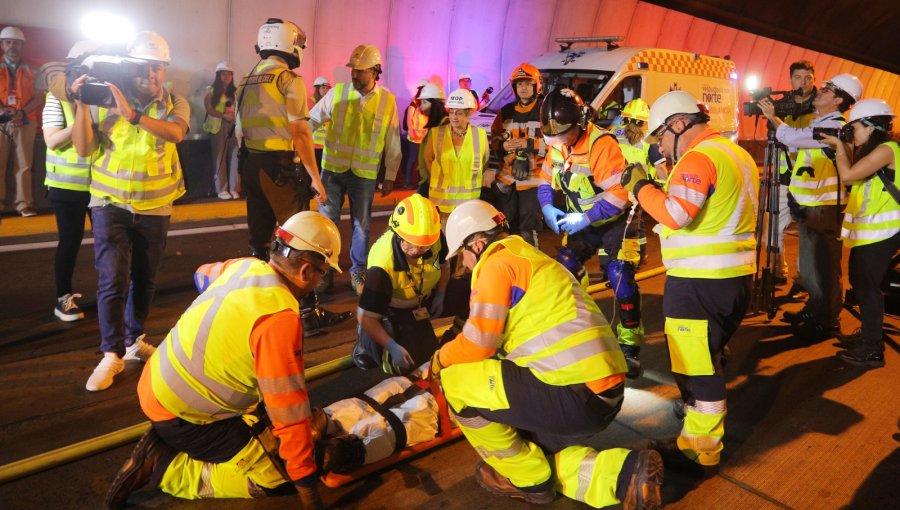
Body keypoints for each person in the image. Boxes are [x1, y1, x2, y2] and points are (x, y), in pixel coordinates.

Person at [429, 199, 662, 509]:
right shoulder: (534, 259)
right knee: (531, 445)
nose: (466, 267)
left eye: (463, 258)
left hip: (572, 392)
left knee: (455, 380)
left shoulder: (496, 264)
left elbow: (477, 345)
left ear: (479, 243)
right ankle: (625, 473)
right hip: (604, 394)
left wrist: (438, 360)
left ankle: (527, 479)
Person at [104, 211, 340, 509]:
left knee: (263, 425)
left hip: (157, 384)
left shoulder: (244, 267)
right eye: (323, 272)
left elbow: (202, 274)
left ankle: (170, 442)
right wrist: (306, 487)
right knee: (277, 477)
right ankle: (165, 467)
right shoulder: (279, 320)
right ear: (306, 271)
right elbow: (288, 411)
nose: (321, 280)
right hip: (184, 415)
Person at [621, 90, 759, 477]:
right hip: (733, 279)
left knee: (697, 370)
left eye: (661, 137)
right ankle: (697, 425)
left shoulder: (697, 157)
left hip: (699, 282)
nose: (662, 146)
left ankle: (700, 450)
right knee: (708, 360)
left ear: (679, 124)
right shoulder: (736, 154)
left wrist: (640, 187)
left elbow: (676, 214)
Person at [71, 31, 188, 392]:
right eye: (142, 69)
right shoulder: (103, 101)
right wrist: (80, 103)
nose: (150, 76)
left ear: (165, 70)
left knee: (145, 278)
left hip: (155, 206)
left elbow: (176, 134)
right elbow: (82, 149)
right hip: (110, 203)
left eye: (157, 69)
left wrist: (133, 115)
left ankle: (134, 339)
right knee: (113, 277)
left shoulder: (175, 103)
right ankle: (111, 353)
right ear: (129, 69)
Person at [235, 18, 348, 336]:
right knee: (302, 240)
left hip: (252, 166)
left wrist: (242, 172)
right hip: (281, 170)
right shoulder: (288, 79)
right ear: (287, 43)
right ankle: (309, 314)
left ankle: (256, 303)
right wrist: (316, 176)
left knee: (258, 242)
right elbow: (300, 132)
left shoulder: (247, 79)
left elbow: (239, 132)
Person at [538, 87, 645, 378]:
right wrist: (548, 207)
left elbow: (620, 196)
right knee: (566, 269)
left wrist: (585, 218)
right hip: (581, 220)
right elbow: (545, 181)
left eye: (562, 138)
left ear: (580, 122)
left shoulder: (601, 145)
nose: (558, 144)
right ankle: (577, 331)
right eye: (553, 140)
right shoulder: (559, 141)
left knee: (620, 277)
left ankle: (629, 345)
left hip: (618, 221)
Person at [760, 73, 863, 338]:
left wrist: (773, 118)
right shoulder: (823, 122)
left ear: (838, 99)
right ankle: (814, 309)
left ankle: (828, 319)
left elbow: (792, 138)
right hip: (810, 205)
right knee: (810, 267)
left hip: (824, 206)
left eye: (828, 89)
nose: (821, 91)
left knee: (824, 266)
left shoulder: (836, 126)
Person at [309, 44, 401, 296]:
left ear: (375, 71)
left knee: (362, 225)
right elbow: (311, 120)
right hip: (332, 171)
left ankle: (358, 269)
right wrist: (301, 152)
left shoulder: (387, 101)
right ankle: (324, 270)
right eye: (353, 70)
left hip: (365, 175)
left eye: (360, 71)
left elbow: (392, 139)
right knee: (327, 223)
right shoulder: (337, 93)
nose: (354, 75)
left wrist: (391, 174)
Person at [820, 99, 900, 368]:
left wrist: (841, 148)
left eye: (853, 127)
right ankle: (868, 334)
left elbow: (850, 176)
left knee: (867, 287)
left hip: (884, 231)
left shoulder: (888, 149)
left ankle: (872, 347)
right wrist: (844, 147)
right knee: (860, 281)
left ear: (869, 126)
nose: (850, 131)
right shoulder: (875, 149)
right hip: (870, 232)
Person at [352, 194, 449, 374]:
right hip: (391, 307)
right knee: (401, 366)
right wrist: (391, 345)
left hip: (420, 298)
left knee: (431, 357)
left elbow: (444, 266)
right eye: (411, 244)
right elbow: (365, 316)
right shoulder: (382, 266)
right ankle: (366, 342)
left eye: (424, 246)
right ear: (397, 234)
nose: (417, 251)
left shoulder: (434, 239)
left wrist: (441, 295)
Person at [43, 41, 98, 322]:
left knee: (108, 244)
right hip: (66, 186)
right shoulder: (56, 96)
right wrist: (81, 117)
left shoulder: (103, 96)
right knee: (70, 241)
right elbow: (51, 139)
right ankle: (63, 298)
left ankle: (111, 294)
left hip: (101, 183)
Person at [489, 63, 546, 248]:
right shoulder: (505, 111)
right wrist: (502, 145)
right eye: (519, 84)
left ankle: (533, 263)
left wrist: (528, 144)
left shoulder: (545, 111)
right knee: (505, 224)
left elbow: (557, 144)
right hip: (507, 179)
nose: (523, 88)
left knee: (529, 226)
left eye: (528, 83)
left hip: (534, 179)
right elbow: (495, 138)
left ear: (537, 85)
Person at [421, 88, 488, 224]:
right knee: (443, 242)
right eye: (451, 112)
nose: (453, 117)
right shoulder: (436, 133)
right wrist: (437, 178)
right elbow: (427, 160)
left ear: (469, 113)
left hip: (469, 203)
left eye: (459, 113)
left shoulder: (480, 135)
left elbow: (484, 162)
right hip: (442, 202)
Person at [0, 26, 42, 217]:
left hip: (26, 121)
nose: (12, 46)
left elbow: (39, 97)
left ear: (22, 46)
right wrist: (4, 111)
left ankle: (24, 205)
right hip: (1, 121)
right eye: (8, 42)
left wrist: (21, 113)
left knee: (24, 165)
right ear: (2, 45)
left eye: (16, 43)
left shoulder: (34, 69)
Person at [203, 61, 239, 200]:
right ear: (218, 76)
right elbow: (209, 109)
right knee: (219, 158)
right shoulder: (211, 91)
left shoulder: (235, 92)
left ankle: (234, 187)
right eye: (224, 74)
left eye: (230, 74)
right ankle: (221, 189)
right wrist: (223, 115)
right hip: (217, 127)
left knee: (235, 156)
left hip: (234, 125)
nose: (227, 77)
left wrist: (233, 116)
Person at [401, 79, 431, 189]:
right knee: (412, 159)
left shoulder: (428, 103)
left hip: (425, 137)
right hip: (414, 137)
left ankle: (422, 182)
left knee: (423, 161)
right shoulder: (414, 104)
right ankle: (407, 182)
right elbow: (409, 120)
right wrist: (412, 131)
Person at [309, 75, 331, 169]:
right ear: (317, 88)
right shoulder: (310, 102)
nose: (326, 90)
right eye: (323, 87)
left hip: (325, 146)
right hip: (313, 146)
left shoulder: (328, 103)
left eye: (327, 88)